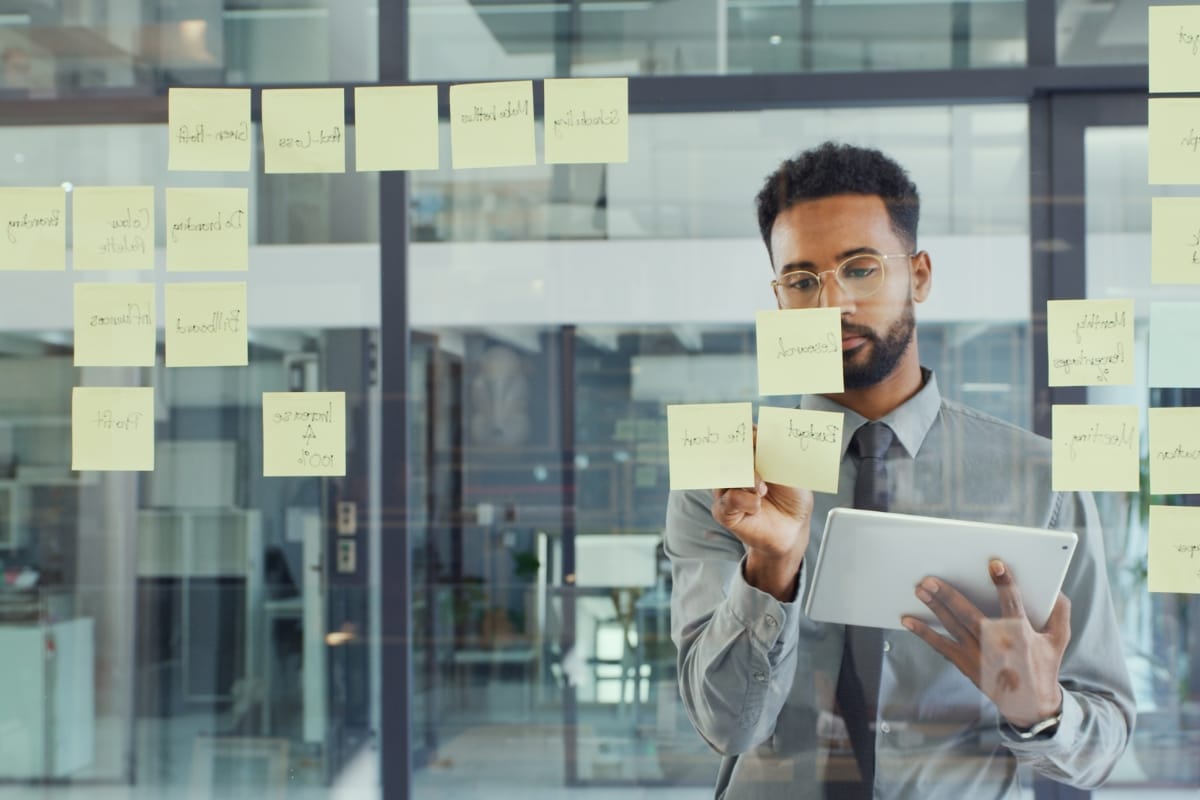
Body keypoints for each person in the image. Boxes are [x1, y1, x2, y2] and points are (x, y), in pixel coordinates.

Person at [664, 141, 1135, 799]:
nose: (834, 304)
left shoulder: (1040, 477)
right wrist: (769, 573)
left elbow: (1104, 741)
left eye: (860, 268)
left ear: (918, 275)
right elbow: (724, 727)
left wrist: (1042, 710)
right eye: (802, 281)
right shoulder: (726, 484)